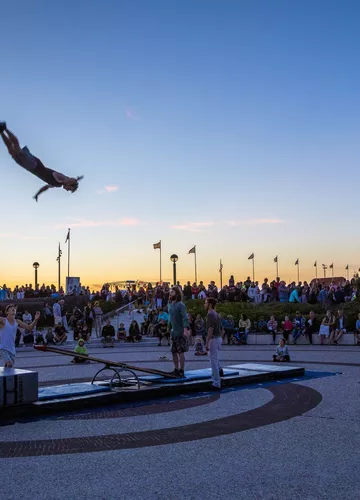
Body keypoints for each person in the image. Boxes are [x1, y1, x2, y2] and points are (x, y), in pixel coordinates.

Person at [0, 122, 83, 201]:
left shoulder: (58, 184)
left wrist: (37, 194)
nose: (67, 190)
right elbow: (59, 176)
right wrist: (73, 180)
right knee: (17, 149)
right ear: (69, 184)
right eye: (69, 189)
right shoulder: (62, 179)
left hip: (30, 168)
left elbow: (46, 187)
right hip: (35, 165)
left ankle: (1, 131)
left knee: (12, 152)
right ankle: (5, 128)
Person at [168, 287, 190, 377]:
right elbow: (170, 318)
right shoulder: (170, 305)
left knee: (180, 352)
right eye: (170, 292)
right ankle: (176, 369)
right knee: (173, 351)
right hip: (173, 332)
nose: (170, 294)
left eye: (172, 292)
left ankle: (182, 370)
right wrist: (169, 328)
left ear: (176, 294)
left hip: (180, 332)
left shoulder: (181, 305)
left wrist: (185, 330)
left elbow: (185, 318)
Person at [205, 297, 223, 390]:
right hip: (218, 338)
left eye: (206, 303)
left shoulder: (210, 314)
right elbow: (222, 329)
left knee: (213, 361)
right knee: (214, 357)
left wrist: (207, 342)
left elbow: (210, 329)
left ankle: (216, 383)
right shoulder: (216, 314)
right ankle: (220, 370)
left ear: (210, 304)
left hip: (213, 339)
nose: (204, 304)